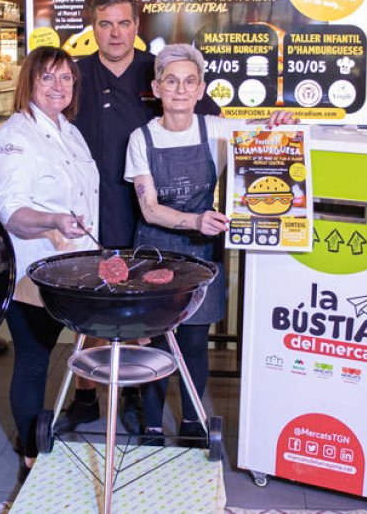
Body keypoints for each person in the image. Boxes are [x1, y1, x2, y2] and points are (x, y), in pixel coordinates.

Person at [63, 0, 220, 431]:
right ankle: (86, 394)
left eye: (124, 23)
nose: (115, 33)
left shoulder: (156, 73)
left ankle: (138, 398)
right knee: (99, 306)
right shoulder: (76, 75)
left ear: (137, 27)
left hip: (155, 219)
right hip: (101, 210)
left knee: (151, 323)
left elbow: (205, 120)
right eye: (105, 24)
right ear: (93, 28)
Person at [125, 44, 291, 444]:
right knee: (158, 339)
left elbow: (263, 138)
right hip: (155, 251)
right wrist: (195, 220)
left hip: (202, 253)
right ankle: (150, 423)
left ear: (201, 89)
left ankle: (192, 421)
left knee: (195, 340)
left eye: (189, 82)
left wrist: (279, 122)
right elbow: (149, 210)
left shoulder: (216, 129)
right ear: (156, 87)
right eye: (171, 81)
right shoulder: (140, 138)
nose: (180, 90)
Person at [0, 46, 99, 480]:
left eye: (66, 78)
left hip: (76, 266)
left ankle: (42, 436)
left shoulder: (69, 130)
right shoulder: (15, 137)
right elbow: (11, 211)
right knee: (33, 361)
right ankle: (30, 455)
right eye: (47, 77)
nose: (58, 86)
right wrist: (52, 219)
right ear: (29, 83)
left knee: (65, 354)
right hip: (34, 271)